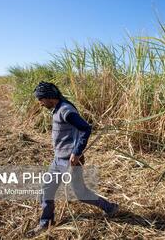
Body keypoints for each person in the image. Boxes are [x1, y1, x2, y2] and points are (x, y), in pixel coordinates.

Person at [26, 81, 118, 237]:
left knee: (80, 193)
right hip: (58, 160)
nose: (39, 103)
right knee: (46, 189)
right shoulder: (57, 108)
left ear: (49, 97)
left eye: (40, 99)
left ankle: (110, 208)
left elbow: (86, 128)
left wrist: (76, 152)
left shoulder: (66, 110)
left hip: (70, 160)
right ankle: (46, 223)